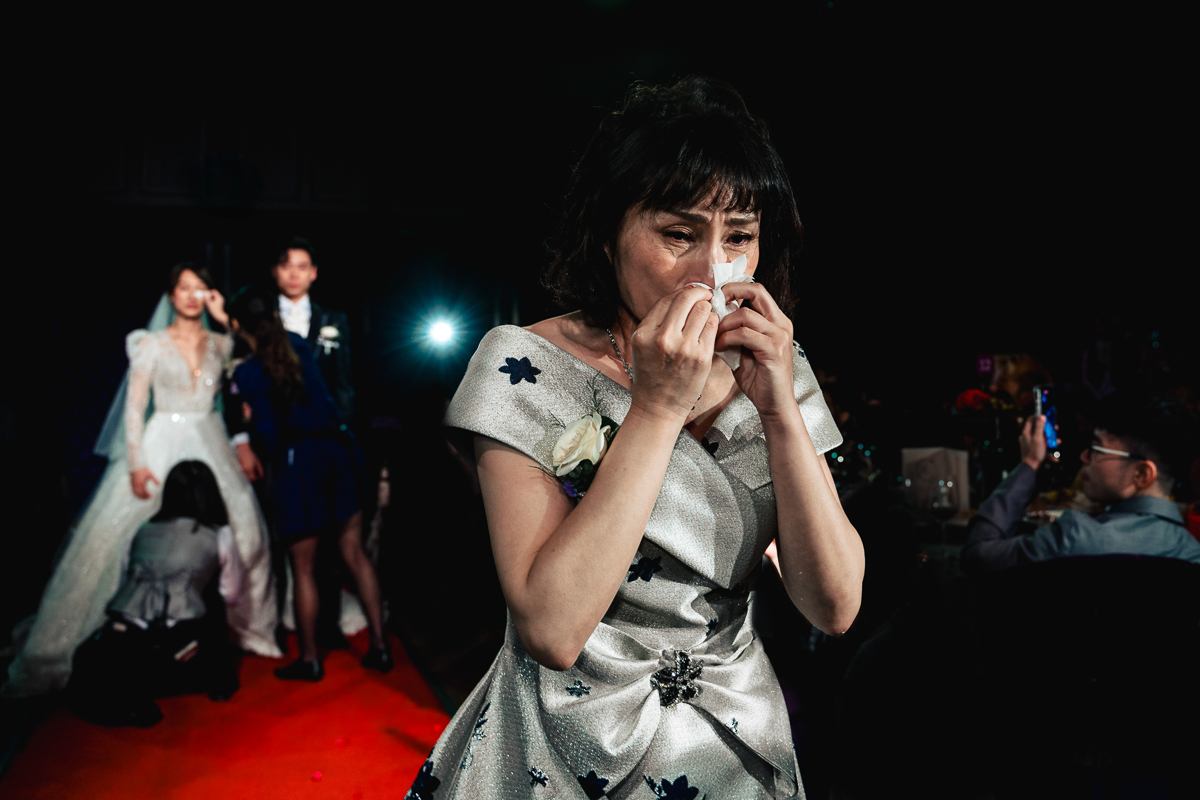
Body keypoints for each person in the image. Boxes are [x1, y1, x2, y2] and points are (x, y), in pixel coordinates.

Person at [409, 77, 864, 799]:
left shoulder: (775, 366)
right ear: (607, 232)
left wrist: (781, 411)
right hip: (563, 744)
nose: (712, 270)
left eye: (739, 237)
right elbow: (551, 629)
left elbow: (833, 606)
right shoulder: (525, 365)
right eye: (679, 233)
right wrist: (655, 408)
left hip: (731, 743)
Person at [2, 265, 280, 699]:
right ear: (171, 295)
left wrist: (225, 318)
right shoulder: (148, 343)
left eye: (200, 289)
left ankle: (239, 628)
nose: (192, 296)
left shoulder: (223, 342)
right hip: (161, 441)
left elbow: (257, 362)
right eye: (184, 288)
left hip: (211, 439)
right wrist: (135, 463)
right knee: (120, 538)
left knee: (243, 533)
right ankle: (110, 629)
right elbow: (134, 408)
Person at [227, 288, 388, 681]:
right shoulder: (298, 344)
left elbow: (269, 437)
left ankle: (311, 660)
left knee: (303, 568)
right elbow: (327, 401)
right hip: (337, 452)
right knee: (355, 554)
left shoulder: (247, 372)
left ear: (237, 325)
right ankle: (381, 648)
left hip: (299, 461)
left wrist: (250, 422)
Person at [231, 237, 357, 650]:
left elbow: (343, 384)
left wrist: (344, 436)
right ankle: (287, 626)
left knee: (330, 547)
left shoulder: (333, 319)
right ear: (275, 271)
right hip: (280, 449)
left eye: (303, 266)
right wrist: (245, 438)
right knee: (287, 541)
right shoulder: (253, 321)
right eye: (286, 265)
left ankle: (327, 629)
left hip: (325, 444)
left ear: (314, 273)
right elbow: (233, 389)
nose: (294, 274)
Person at [66, 461, 244, 727]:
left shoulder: (141, 530)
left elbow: (125, 581)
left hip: (129, 634)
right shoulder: (220, 535)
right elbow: (231, 594)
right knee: (214, 597)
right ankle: (218, 681)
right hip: (176, 637)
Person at [961, 392, 1200, 573]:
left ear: (1142, 474)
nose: (1084, 456)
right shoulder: (1192, 552)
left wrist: (1030, 463)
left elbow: (976, 556)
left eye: (1096, 448)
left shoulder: (1074, 536)